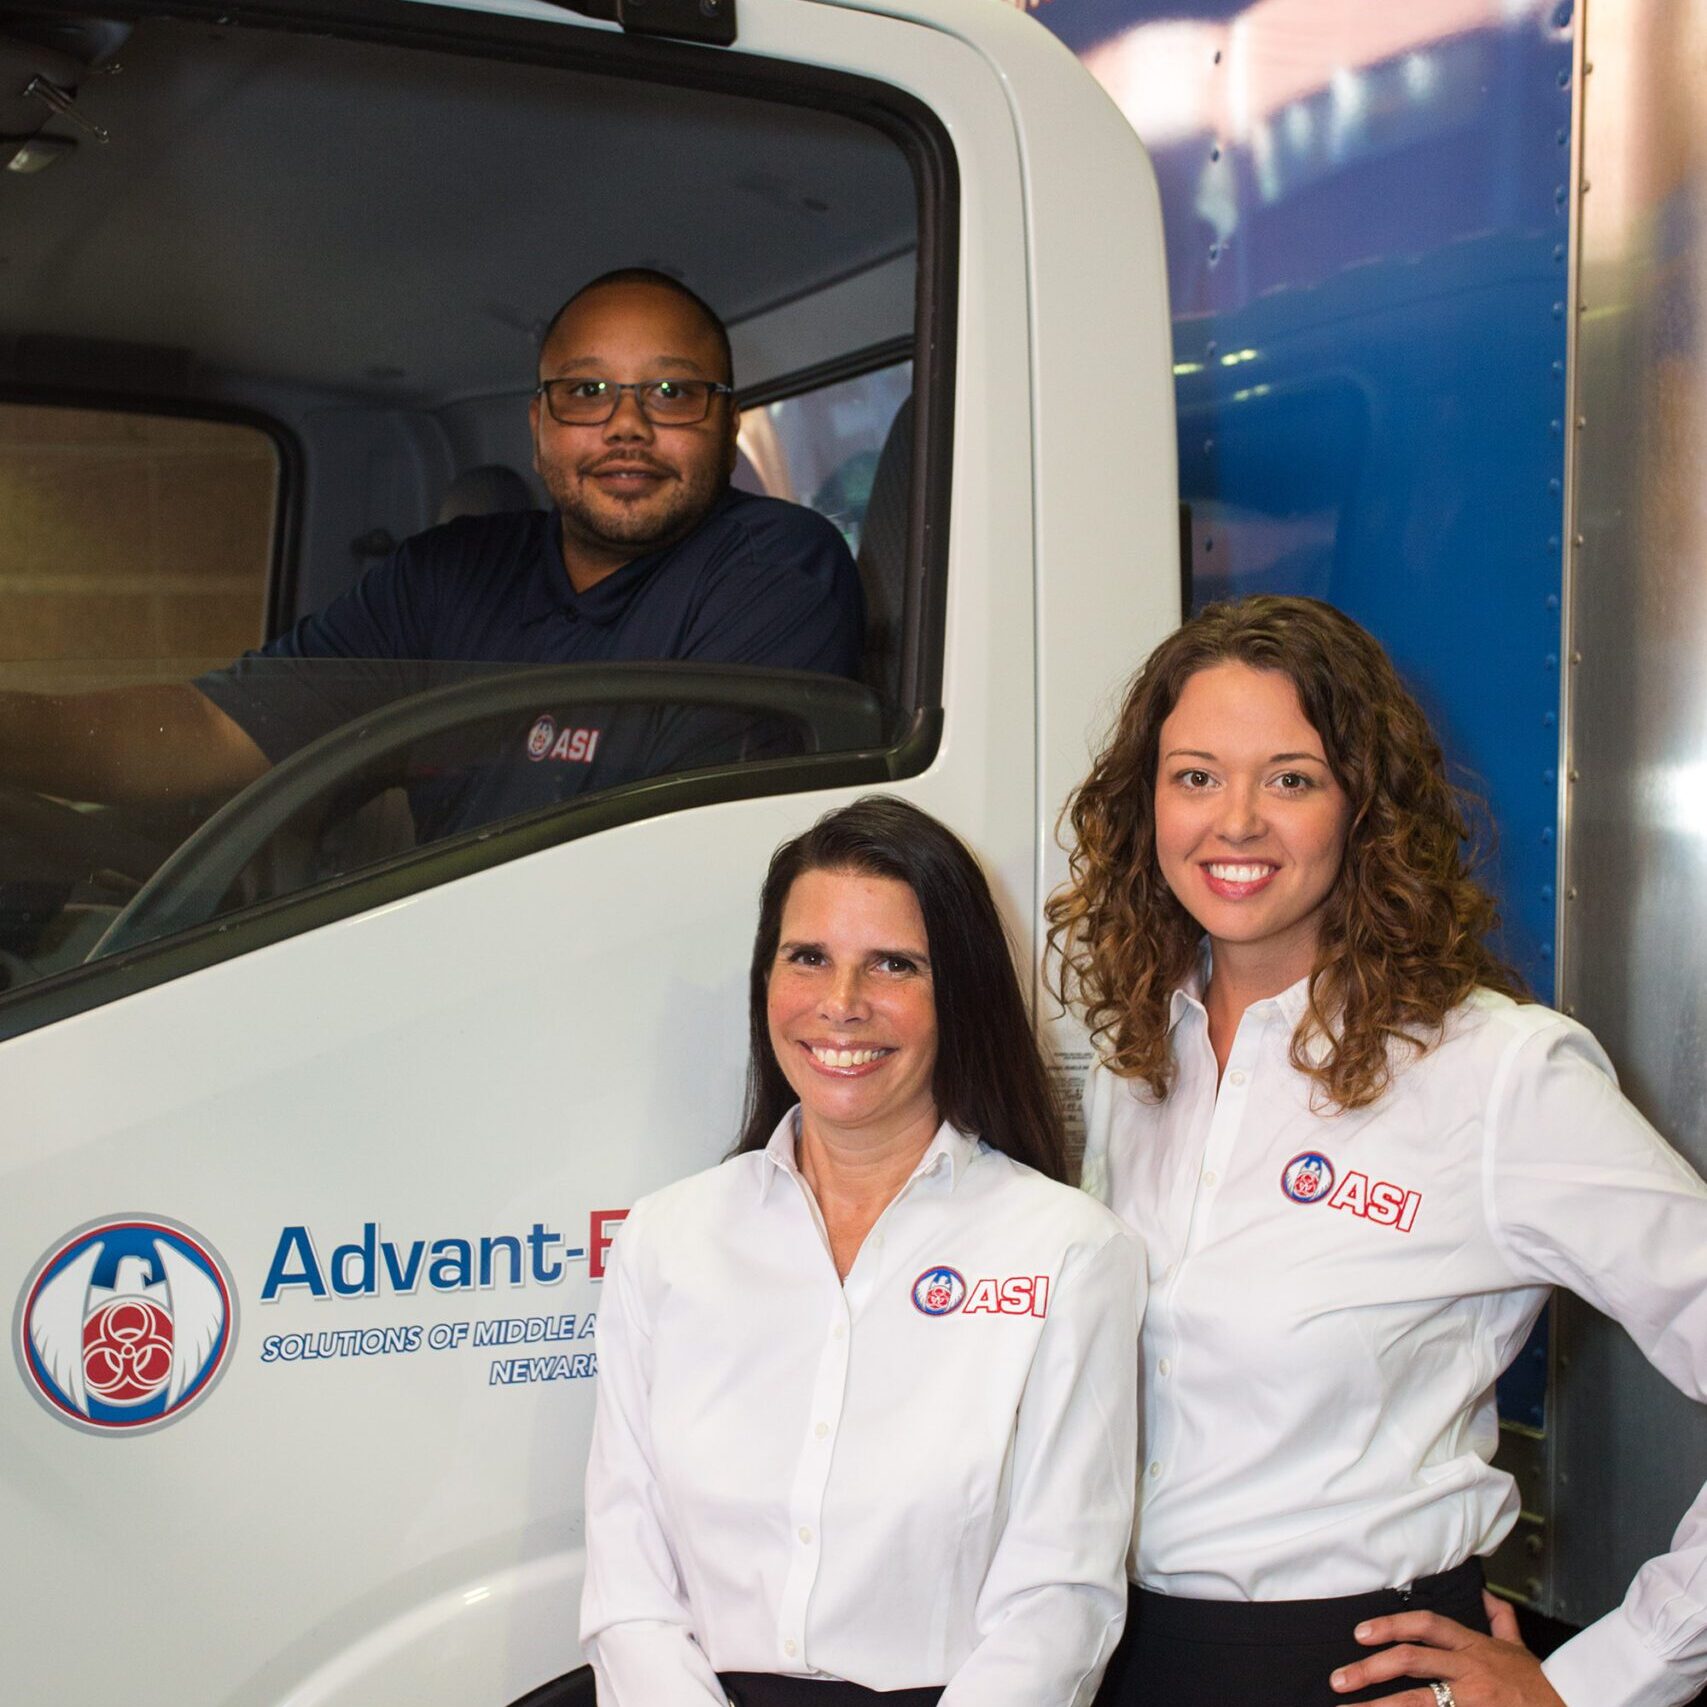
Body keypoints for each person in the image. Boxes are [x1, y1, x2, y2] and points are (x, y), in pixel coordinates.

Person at [1045, 595, 1707, 1707]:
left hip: (1357, 1672)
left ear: (1365, 807)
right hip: (1113, 1660)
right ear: (1144, 801)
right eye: (1196, 776)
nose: (1236, 821)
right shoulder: (1134, 1058)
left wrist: (1603, 1679)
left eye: (1291, 778)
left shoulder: (1497, 1072)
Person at [580, 794, 1142, 1706]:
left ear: (955, 990)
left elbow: (1060, 1600)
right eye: (808, 957)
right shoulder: (665, 1242)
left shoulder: (1070, 1252)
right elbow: (628, 1588)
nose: (841, 1005)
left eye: (892, 964)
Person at [0, 268, 863, 838]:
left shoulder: (776, 569)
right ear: (539, 429)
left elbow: (671, 858)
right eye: (585, 391)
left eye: (672, 392)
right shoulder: (449, 574)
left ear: (723, 419)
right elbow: (215, 727)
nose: (626, 425)